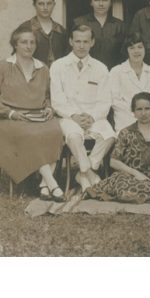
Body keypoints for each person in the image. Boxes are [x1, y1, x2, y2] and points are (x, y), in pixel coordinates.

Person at [0, 27, 64, 200]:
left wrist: (48, 108)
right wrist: (11, 113)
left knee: (55, 131)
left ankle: (45, 186)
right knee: (31, 134)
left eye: (32, 42)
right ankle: (53, 184)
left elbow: (47, 96)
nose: (28, 46)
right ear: (15, 44)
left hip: (36, 116)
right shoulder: (3, 66)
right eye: (24, 42)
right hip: (7, 118)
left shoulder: (42, 68)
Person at [50, 24, 116, 192]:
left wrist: (92, 117)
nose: (81, 45)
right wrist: (74, 116)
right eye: (77, 41)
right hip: (68, 116)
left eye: (85, 41)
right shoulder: (58, 66)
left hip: (93, 117)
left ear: (92, 42)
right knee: (73, 136)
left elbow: (105, 101)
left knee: (109, 135)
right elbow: (57, 101)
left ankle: (86, 171)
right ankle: (88, 174)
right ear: (71, 41)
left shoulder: (101, 68)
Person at [86, 93, 150, 203]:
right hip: (129, 177)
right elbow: (113, 161)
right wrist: (135, 173)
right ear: (133, 112)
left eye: (147, 109)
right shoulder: (126, 132)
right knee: (123, 188)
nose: (143, 113)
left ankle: (141, 194)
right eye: (139, 109)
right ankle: (144, 195)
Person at [109, 32, 150, 132]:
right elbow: (115, 100)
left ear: (145, 49)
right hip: (127, 118)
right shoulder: (116, 71)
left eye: (140, 47)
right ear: (126, 50)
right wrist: (137, 114)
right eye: (132, 48)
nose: (136, 51)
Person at [73, 0, 126, 70]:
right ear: (91, 2)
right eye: (97, 0)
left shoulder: (120, 26)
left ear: (111, 2)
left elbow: (124, 55)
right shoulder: (79, 22)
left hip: (112, 74)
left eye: (105, 0)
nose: (101, 4)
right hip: (86, 73)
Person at [17, 0, 68, 67]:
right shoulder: (25, 28)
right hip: (32, 76)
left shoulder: (61, 31)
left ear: (54, 5)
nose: (45, 7)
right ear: (34, 5)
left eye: (49, 3)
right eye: (41, 4)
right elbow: (17, 57)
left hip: (56, 77)